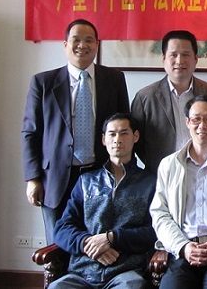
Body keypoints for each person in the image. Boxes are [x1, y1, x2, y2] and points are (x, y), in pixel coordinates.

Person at [21, 18, 130, 243]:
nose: (82, 45)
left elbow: (124, 126)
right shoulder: (43, 82)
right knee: (57, 244)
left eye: (89, 40)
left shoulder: (114, 79)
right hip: (56, 178)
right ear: (65, 45)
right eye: (76, 40)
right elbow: (30, 133)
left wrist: (125, 171)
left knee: (98, 241)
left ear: (97, 45)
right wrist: (33, 178)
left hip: (100, 174)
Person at [51, 113, 157, 289]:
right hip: (82, 271)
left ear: (135, 136)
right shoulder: (86, 181)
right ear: (103, 139)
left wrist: (112, 238)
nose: (117, 139)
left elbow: (155, 230)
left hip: (126, 272)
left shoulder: (150, 183)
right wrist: (88, 243)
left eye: (124, 133)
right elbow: (62, 228)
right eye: (112, 134)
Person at [150, 94, 207, 289]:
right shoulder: (169, 165)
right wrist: (183, 246)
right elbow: (160, 213)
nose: (202, 125)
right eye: (196, 119)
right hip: (182, 251)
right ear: (187, 122)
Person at [131, 30, 207, 172]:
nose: (179, 61)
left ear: (196, 58)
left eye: (186, 54)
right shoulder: (145, 97)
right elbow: (136, 142)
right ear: (164, 59)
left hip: (203, 171)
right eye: (173, 55)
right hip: (160, 173)